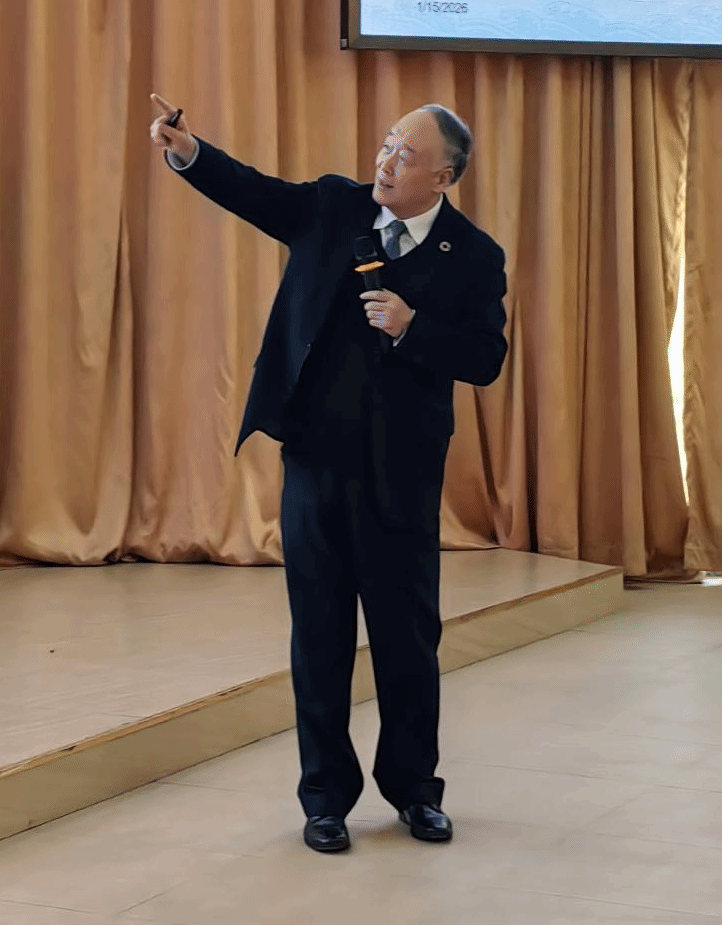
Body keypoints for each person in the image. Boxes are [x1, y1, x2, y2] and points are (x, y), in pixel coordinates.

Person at [148, 97, 508, 854]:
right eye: (386, 144)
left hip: (401, 474)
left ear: (442, 177)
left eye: (405, 154)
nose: (386, 161)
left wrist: (413, 327)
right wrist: (190, 152)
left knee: (407, 639)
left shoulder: (473, 255)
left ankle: (415, 791)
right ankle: (324, 799)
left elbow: (485, 358)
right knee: (319, 637)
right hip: (315, 462)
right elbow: (254, 192)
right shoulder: (333, 207)